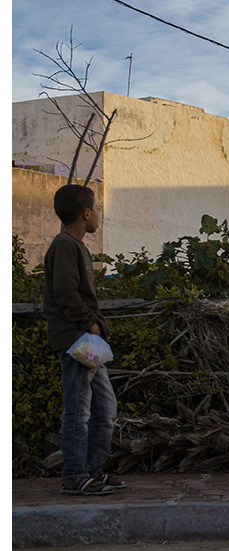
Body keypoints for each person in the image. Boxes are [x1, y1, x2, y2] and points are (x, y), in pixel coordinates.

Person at [43, 184, 124, 496]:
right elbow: (66, 293)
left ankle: (92, 471)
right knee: (79, 409)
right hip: (75, 340)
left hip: (86, 340)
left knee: (105, 407)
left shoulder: (77, 246)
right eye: (97, 210)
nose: (99, 216)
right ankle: (75, 475)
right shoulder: (64, 246)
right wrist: (89, 323)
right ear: (86, 213)